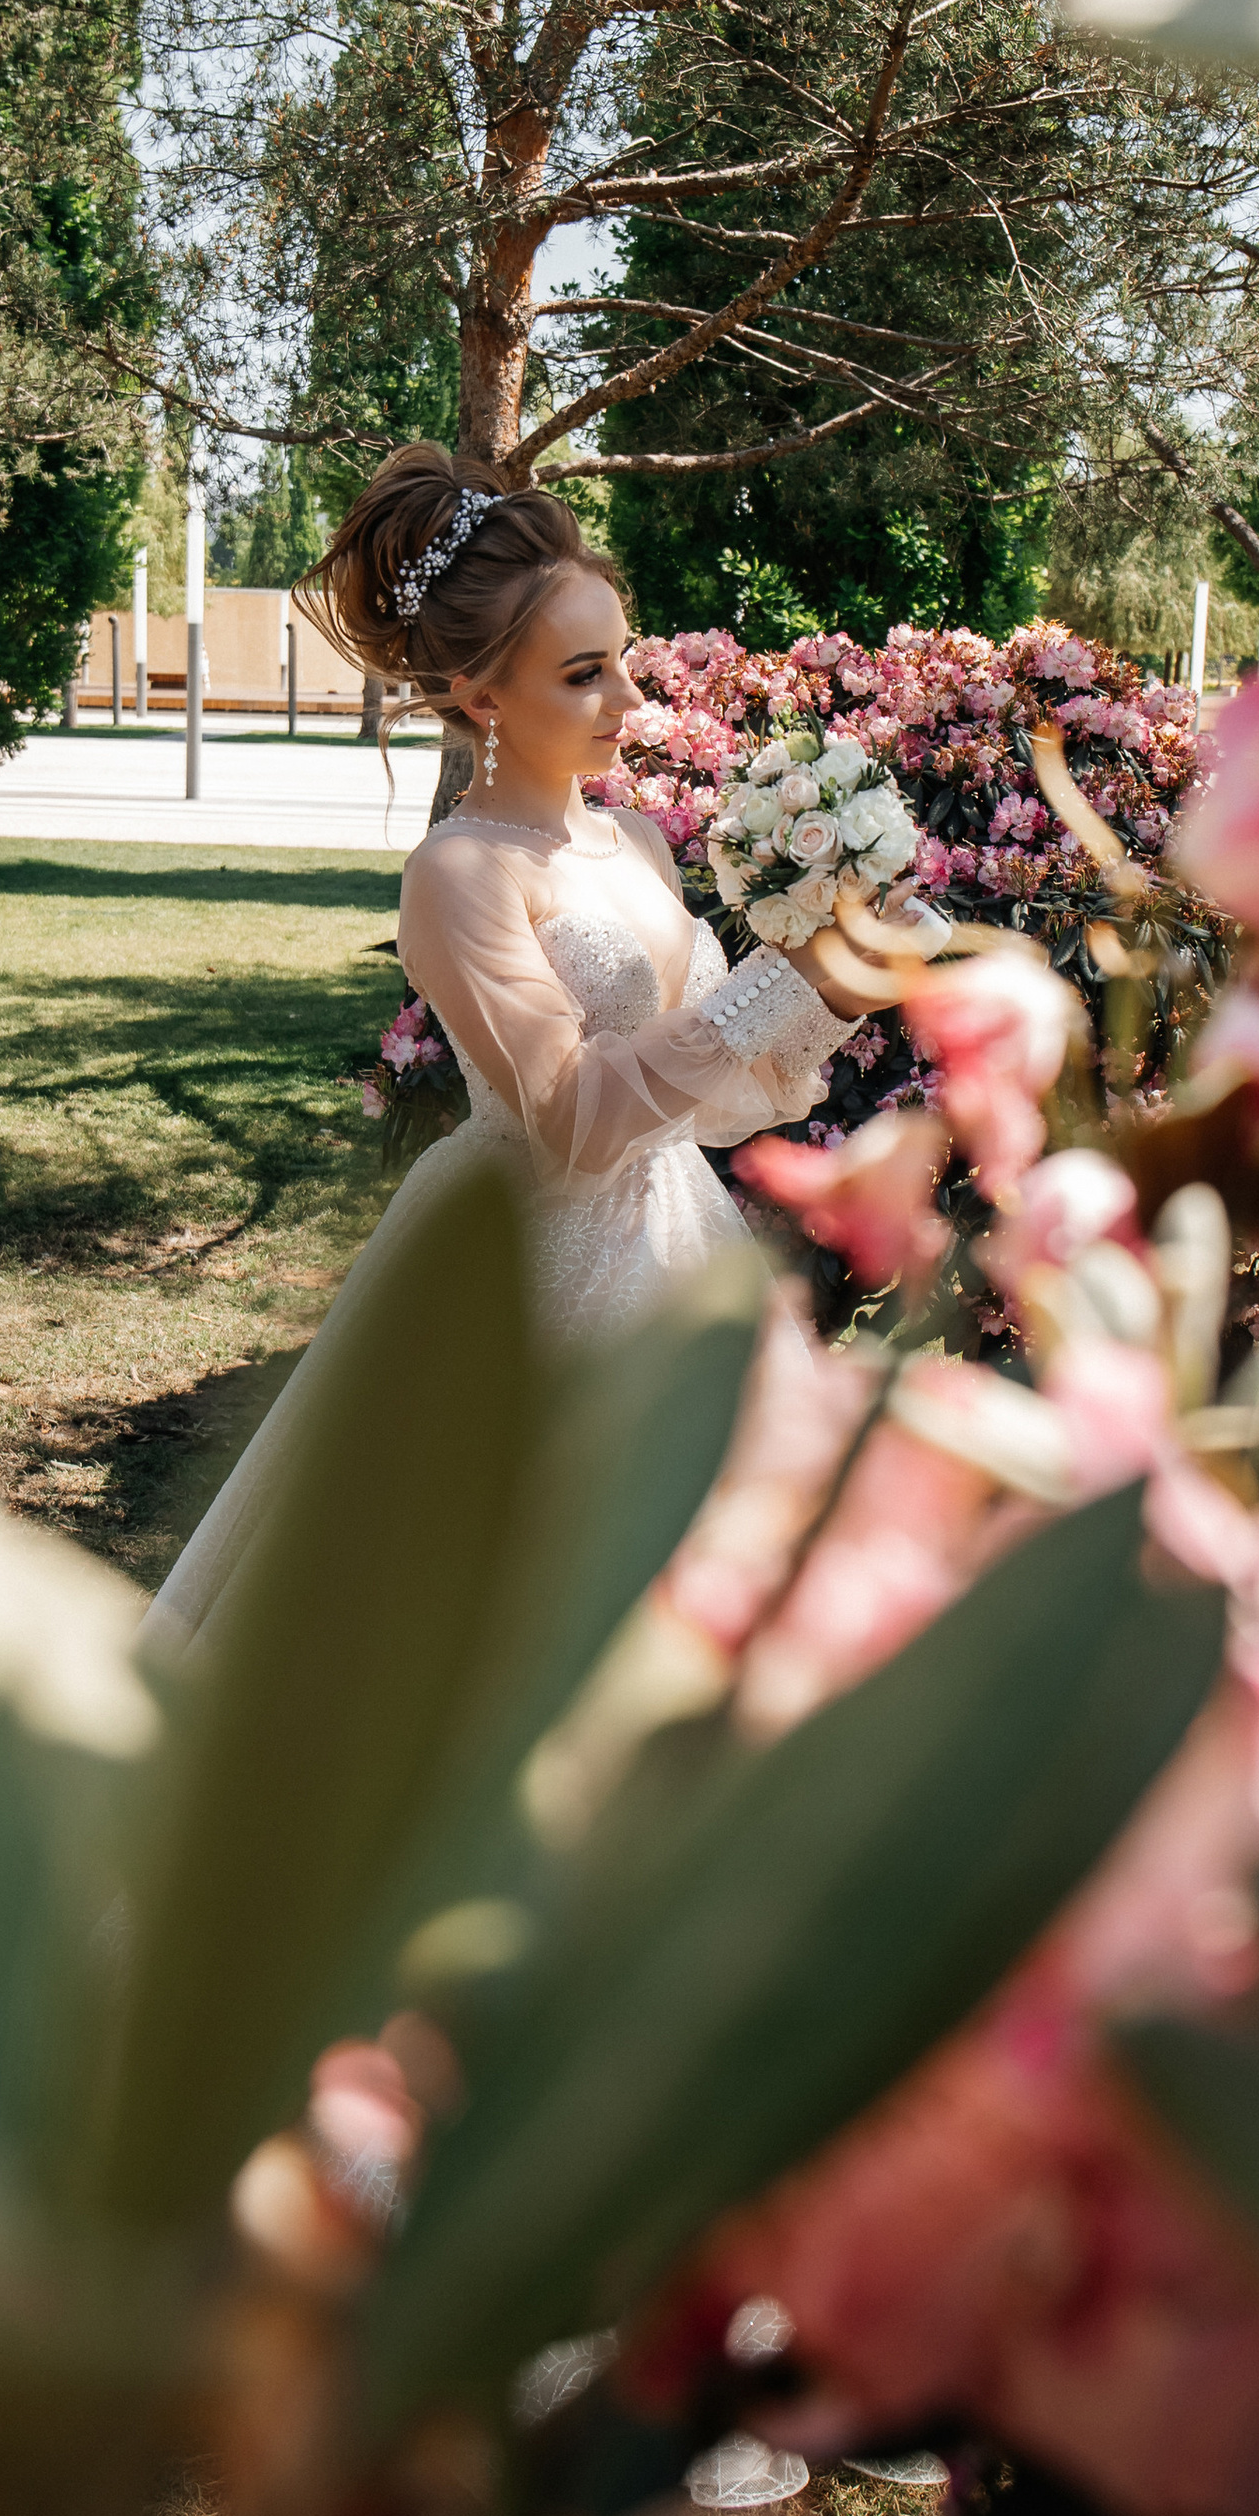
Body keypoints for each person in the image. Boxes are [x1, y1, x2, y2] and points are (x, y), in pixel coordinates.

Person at [151, 447, 900, 1643]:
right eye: (585, 675)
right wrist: (783, 983)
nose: (626, 703)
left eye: (625, 664)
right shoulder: (458, 874)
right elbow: (575, 1119)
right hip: (526, 1273)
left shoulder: (639, 842)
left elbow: (710, 1104)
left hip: (681, 1246)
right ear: (483, 696)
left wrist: (844, 983)